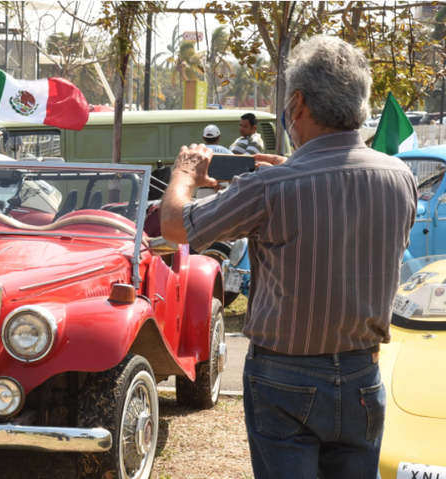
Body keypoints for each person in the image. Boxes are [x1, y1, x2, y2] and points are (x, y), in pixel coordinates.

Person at [160, 35, 417, 479]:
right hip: (362, 374)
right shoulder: (400, 177)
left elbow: (175, 227)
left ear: (297, 103)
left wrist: (184, 174)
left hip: (284, 377)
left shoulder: (269, 187)